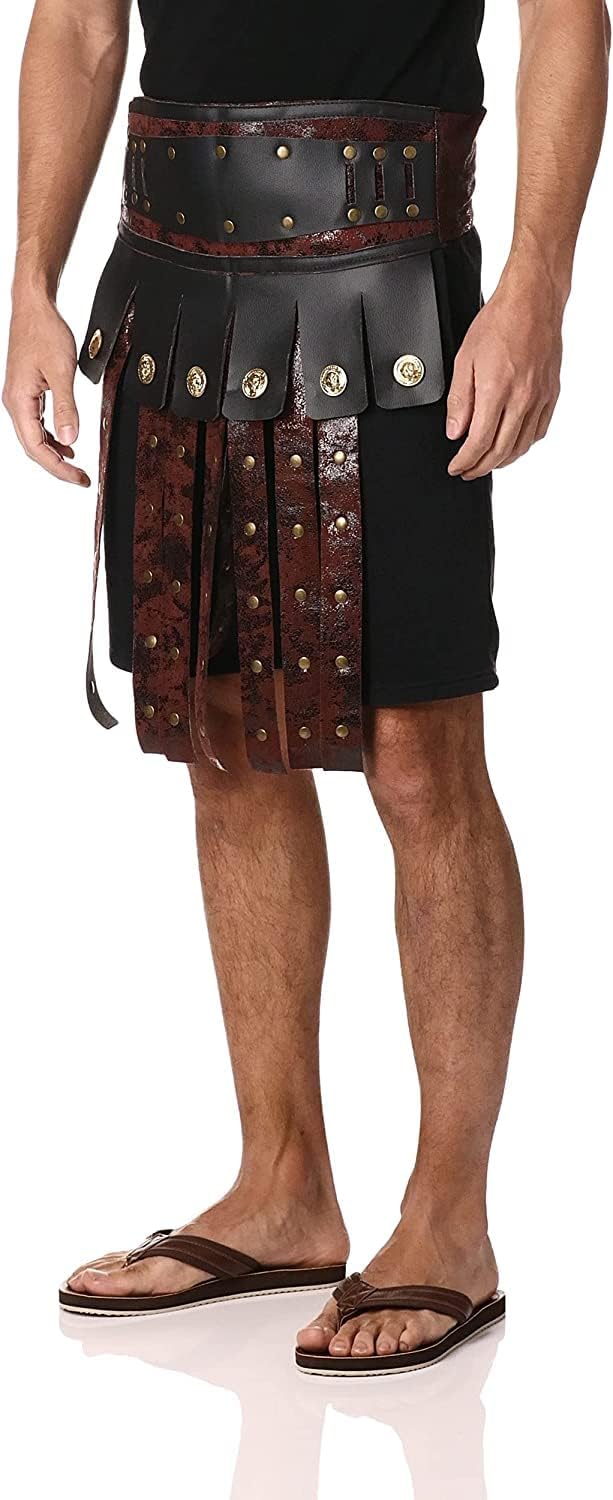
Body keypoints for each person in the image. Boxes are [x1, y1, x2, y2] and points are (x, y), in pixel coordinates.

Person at [4, 0, 609, 1376]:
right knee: (222, 738)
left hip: (388, 279)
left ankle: (448, 1222)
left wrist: (535, 284)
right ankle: (282, 1189)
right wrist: (31, 279)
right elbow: (80, 24)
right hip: (171, 281)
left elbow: (564, 16)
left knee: (418, 758)